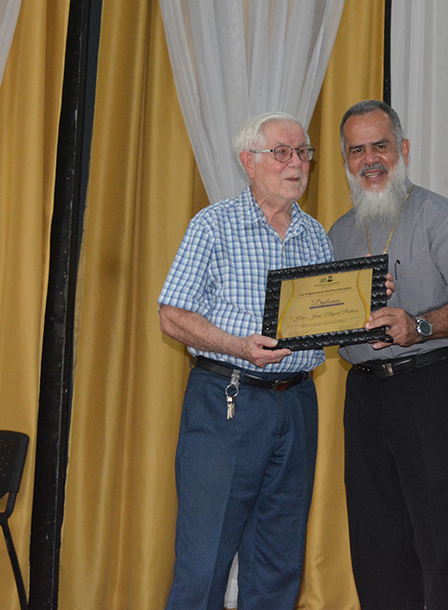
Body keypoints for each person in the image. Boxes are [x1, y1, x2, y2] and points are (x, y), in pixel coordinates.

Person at [157, 111, 332, 610]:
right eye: (282, 152)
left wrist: (364, 305)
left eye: (303, 152)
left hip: (296, 402)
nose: (296, 163)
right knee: (204, 559)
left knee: (280, 559)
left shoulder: (316, 235)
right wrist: (239, 345)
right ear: (248, 162)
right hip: (227, 402)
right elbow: (172, 315)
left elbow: (324, 316)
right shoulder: (213, 224)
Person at [329, 100, 448, 610]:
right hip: (366, 398)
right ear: (346, 162)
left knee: (446, 547)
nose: (370, 159)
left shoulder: (440, 216)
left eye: (380, 145)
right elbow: (323, 317)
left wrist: (417, 324)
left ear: (402, 150)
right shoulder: (337, 233)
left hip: (433, 391)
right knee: (376, 546)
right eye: (357, 150)